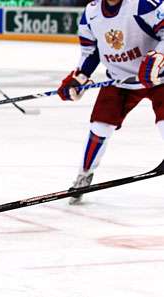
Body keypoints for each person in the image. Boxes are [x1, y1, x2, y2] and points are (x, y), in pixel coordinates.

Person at [57, 0, 164, 204]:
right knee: (100, 125)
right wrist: (79, 77)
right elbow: (91, 52)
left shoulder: (143, 4)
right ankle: (84, 174)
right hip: (119, 80)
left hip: (158, 78)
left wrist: (159, 57)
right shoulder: (91, 13)